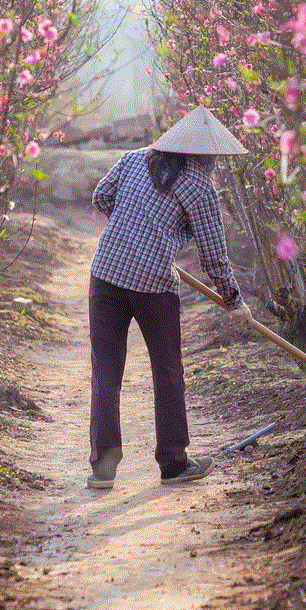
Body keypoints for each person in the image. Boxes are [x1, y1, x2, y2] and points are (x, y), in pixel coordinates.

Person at [86, 106, 252, 489]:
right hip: (153, 286)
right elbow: (213, 254)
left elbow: (100, 197)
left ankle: (102, 469)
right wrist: (234, 300)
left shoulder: (132, 160)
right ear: (201, 154)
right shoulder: (199, 188)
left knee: (106, 375)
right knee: (168, 372)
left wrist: (132, 234)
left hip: (105, 274)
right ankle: (174, 463)